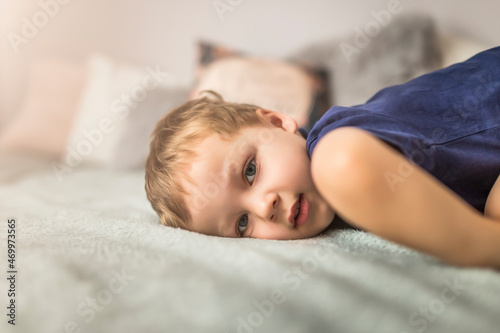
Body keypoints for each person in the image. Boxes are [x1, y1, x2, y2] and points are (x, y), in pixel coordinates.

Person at [145, 46, 500, 268]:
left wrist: (479, 242)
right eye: (242, 225)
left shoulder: (330, 144)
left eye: (250, 171)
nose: (263, 207)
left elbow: (345, 164)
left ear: (278, 121)